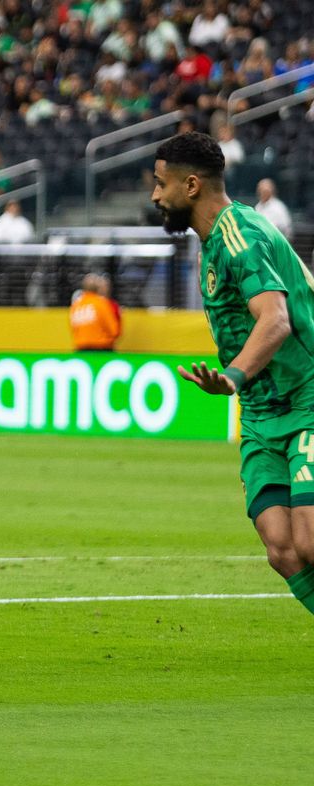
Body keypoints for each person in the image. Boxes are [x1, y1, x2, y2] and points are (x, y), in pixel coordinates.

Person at [151, 132, 314, 619]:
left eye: (161, 185)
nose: (155, 196)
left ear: (193, 185)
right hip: (263, 417)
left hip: (306, 401)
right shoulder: (211, 245)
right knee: (282, 549)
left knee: (309, 539)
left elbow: (276, 319)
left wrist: (234, 377)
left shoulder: (239, 233)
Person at [69, 272, 122, 351]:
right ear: (97, 287)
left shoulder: (76, 305)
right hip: (101, 349)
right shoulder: (101, 303)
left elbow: (73, 327)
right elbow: (114, 330)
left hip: (81, 349)